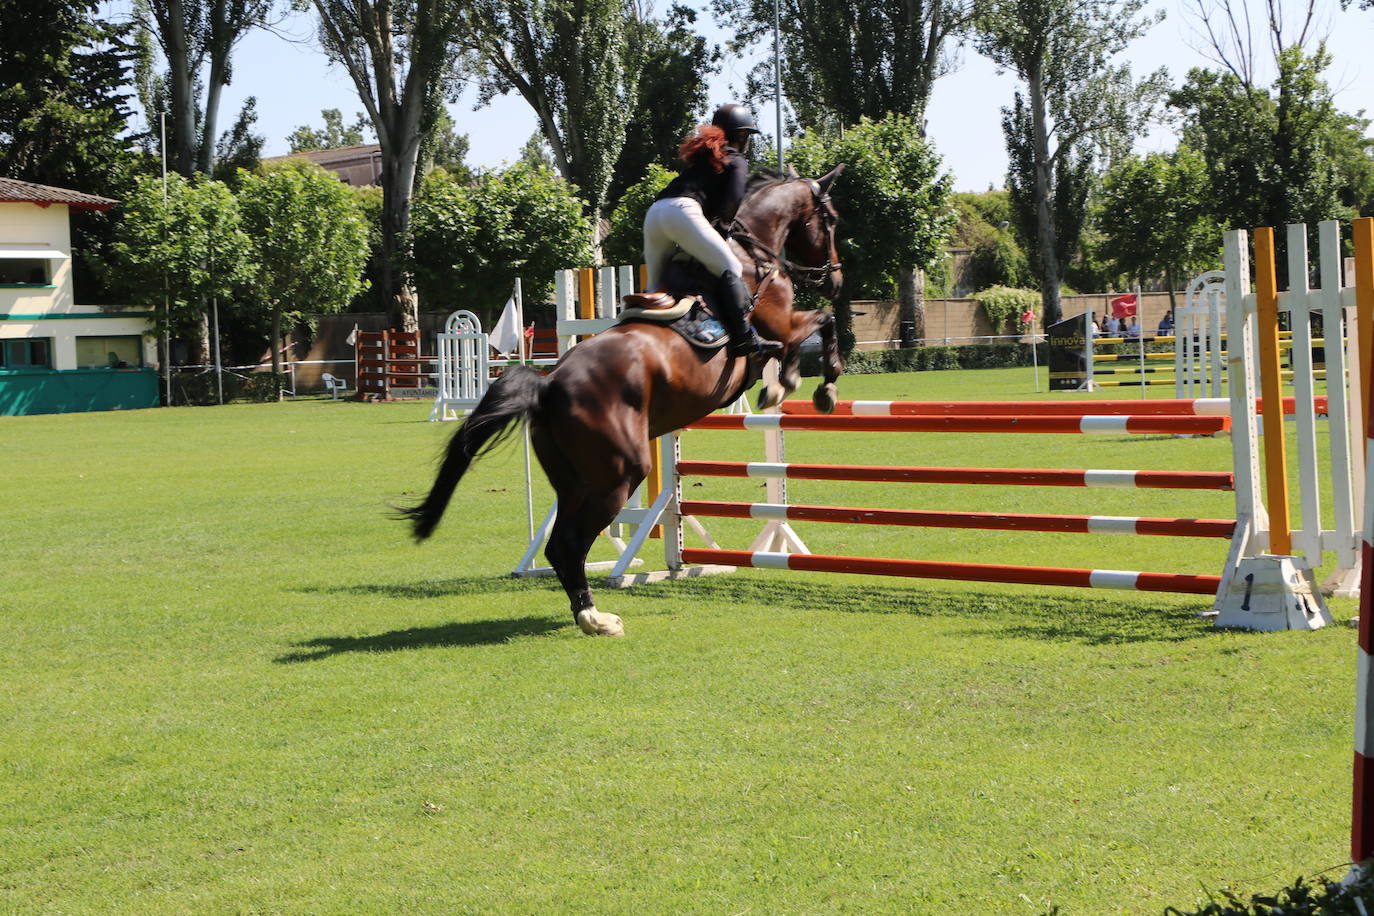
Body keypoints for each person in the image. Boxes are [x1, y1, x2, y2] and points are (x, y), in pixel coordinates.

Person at [643, 103, 782, 356]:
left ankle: (641, 331)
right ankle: (745, 340)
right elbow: (733, 200)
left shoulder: (704, 159)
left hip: (655, 213)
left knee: (655, 286)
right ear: (741, 135)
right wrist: (723, 229)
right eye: (747, 136)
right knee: (732, 267)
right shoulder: (736, 159)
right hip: (683, 211)